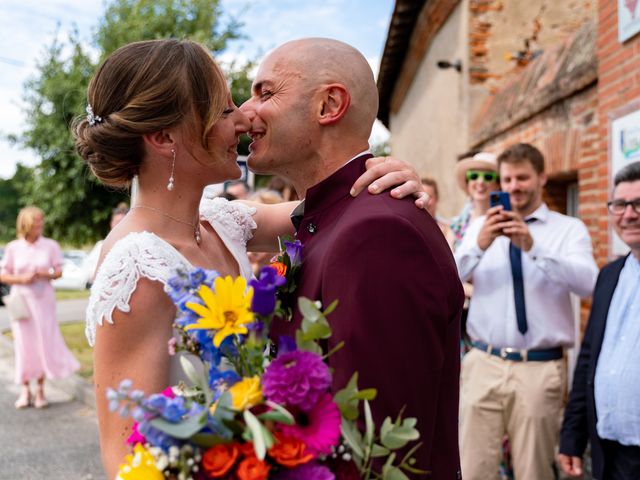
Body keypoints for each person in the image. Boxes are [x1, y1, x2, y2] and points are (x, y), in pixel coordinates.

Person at [73, 39, 427, 478]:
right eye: (223, 111)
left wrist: (385, 173)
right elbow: (127, 458)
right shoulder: (137, 267)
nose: (242, 118)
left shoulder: (223, 222)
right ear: (165, 137)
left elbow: (331, 206)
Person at [241, 38, 464, 479]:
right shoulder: (326, 217)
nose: (246, 112)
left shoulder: (376, 231)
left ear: (329, 104)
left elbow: (377, 446)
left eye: (265, 94)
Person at [454, 143, 599, 480]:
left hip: (539, 367)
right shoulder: (480, 227)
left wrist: (534, 247)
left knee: (534, 472)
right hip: (482, 363)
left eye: (522, 178)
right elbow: (446, 278)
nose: (513, 186)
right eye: (507, 179)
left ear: (542, 178)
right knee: (474, 469)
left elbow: (589, 284)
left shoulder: (568, 229)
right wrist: (479, 246)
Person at [559, 160, 640, 480]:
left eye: (638, 204)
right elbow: (589, 359)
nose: (629, 214)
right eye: (620, 204)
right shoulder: (608, 276)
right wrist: (572, 437)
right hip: (608, 448)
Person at [0, 206, 80, 409]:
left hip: (44, 301)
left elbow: (59, 271)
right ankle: (25, 389)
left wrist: (46, 274)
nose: (40, 225)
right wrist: (21, 278)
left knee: (42, 343)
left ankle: (41, 390)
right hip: (21, 301)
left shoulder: (50, 245)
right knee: (23, 345)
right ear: (26, 224)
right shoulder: (13, 248)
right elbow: (3, 275)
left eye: (41, 222)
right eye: (36, 222)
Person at [450, 151, 500, 250]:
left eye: (488, 177)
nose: (480, 182)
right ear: (468, 183)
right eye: (474, 176)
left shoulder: (505, 220)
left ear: (498, 184)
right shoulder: (457, 225)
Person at [84, 202, 129, 283]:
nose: (119, 226)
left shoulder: (133, 246)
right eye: (117, 222)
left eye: (123, 222)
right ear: (111, 223)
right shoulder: (101, 245)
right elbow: (88, 271)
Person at [421, 176, 454, 246]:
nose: (425, 201)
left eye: (429, 196)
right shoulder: (410, 227)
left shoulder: (447, 230)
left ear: (437, 198)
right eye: (421, 196)